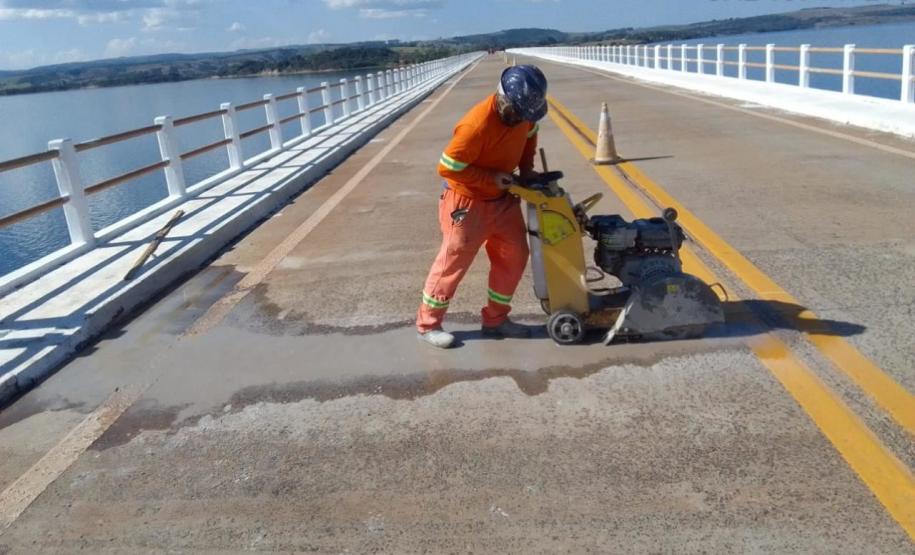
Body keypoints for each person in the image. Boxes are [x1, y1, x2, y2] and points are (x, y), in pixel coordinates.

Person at [416, 64, 548, 349]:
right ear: (503, 100)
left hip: (502, 200)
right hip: (466, 203)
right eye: (518, 113)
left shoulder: (525, 116)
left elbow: (530, 135)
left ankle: (496, 320)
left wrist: (526, 170)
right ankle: (428, 325)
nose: (522, 119)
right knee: (453, 262)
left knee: (514, 255)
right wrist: (489, 178)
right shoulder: (475, 126)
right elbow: (447, 167)